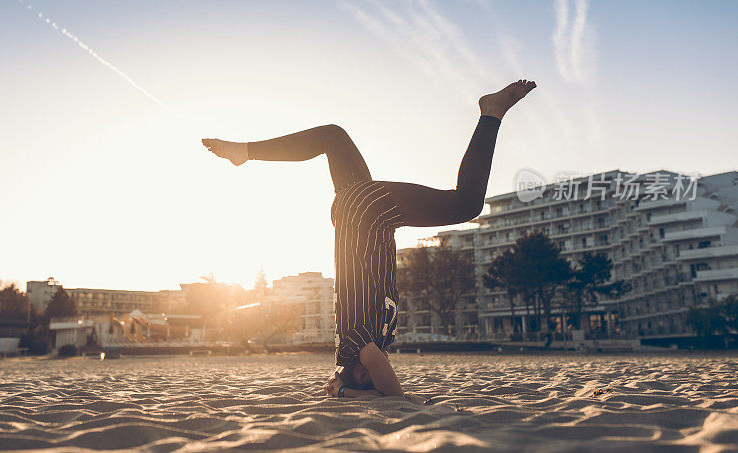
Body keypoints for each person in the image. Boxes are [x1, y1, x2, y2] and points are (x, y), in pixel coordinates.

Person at [202, 80, 537, 398]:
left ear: (362, 374)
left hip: (369, 213)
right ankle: (244, 151)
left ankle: (491, 113)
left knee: (466, 202)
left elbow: (392, 394)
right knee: (332, 136)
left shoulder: (356, 343)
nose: (382, 366)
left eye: (370, 374)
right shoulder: (362, 338)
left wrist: (350, 392)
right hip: (357, 212)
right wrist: (346, 386)